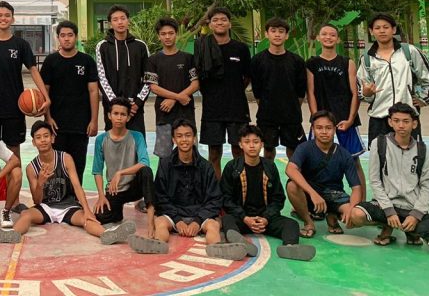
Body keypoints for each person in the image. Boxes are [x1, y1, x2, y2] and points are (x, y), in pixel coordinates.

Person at [0, 120, 135, 246]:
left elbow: (77, 186)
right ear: (34, 142)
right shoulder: (32, 168)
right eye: (38, 137)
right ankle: (12, 234)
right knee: (26, 214)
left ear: (52, 138)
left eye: (46, 136)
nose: (43, 140)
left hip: (68, 205)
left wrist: (87, 210)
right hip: (46, 207)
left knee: (86, 219)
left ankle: (107, 234)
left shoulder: (65, 159)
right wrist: (40, 183)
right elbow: (37, 200)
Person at [348, 103, 429, 256]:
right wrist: (389, 211)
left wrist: (416, 215)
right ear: (390, 122)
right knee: (356, 215)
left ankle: (411, 230)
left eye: (406, 121)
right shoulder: (380, 144)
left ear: (414, 124)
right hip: (386, 205)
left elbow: (428, 185)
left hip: (412, 207)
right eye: (396, 121)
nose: (401, 125)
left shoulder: (422, 150)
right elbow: (375, 181)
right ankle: (389, 226)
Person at [219, 124, 316, 261]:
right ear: (240, 145)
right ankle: (239, 243)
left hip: (265, 219)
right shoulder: (232, 167)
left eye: (256, 142)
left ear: (262, 144)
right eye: (247, 142)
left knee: (291, 224)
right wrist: (245, 218)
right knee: (227, 220)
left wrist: (265, 218)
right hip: (242, 218)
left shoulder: (270, 167)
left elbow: (278, 198)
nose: (252, 146)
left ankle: (289, 247)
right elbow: (226, 199)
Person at [0, 0, 50, 150]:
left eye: (7, 15)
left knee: (14, 153)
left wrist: (46, 97)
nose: (3, 18)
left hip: (14, 108)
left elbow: (34, 70)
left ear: (13, 19)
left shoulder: (21, 44)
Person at [357, 13, 429, 141]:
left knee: (410, 152)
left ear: (394, 29)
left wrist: (424, 99)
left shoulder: (409, 52)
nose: (382, 31)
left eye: (386, 27)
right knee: (380, 153)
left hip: (407, 117)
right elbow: (362, 88)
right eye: (377, 28)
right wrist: (367, 93)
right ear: (371, 31)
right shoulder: (367, 59)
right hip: (379, 118)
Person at [306, 23, 366, 189]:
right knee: (315, 161)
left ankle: (361, 201)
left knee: (353, 161)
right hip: (321, 120)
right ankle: (317, 198)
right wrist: (316, 119)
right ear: (318, 38)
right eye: (324, 34)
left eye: (332, 35)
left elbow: (355, 93)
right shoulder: (312, 63)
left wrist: (350, 119)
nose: (328, 37)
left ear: (338, 39)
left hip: (344, 120)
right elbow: (310, 92)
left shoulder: (347, 62)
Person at [285, 110, 363, 238]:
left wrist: (351, 208)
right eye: (319, 128)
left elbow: (356, 188)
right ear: (313, 129)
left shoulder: (344, 154)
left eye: (328, 128)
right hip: (310, 195)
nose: (324, 132)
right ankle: (308, 222)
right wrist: (313, 193)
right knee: (292, 186)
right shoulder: (304, 148)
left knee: (356, 215)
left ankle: (332, 214)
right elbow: (290, 169)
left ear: (335, 129)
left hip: (334, 195)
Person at [196, 7, 251, 181]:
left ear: (230, 24)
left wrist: (234, 90)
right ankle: (216, 190)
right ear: (210, 25)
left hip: (237, 107)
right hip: (212, 109)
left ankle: (238, 188)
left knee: (238, 150)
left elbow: (247, 77)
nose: (220, 23)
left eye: (223, 19)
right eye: (215, 20)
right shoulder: (202, 47)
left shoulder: (241, 48)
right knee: (214, 153)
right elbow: (199, 77)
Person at [40, 20, 99, 182]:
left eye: (70, 35)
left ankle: (76, 195)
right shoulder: (51, 61)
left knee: (78, 166)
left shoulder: (87, 61)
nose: (66, 39)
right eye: (63, 35)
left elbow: (93, 91)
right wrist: (48, 118)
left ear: (76, 37)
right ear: (58, 38)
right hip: (56, 125)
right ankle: (57, 196)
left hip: (81, 124)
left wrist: (94, 120)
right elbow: (45, 92)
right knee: (57, 166)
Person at [92, 98, 156, 244]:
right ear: (109, 115)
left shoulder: (137, 136)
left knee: (146, 172)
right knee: (100, 216)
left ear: (128, 117)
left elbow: (144, 162)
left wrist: (120, 173)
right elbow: (97, 170)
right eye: (116, 113)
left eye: (123, 114)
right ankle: (117, 216)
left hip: (134, 187)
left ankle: (151, 221)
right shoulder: (101, 139)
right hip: (115, 190)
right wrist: (101, 195)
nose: (119, 117)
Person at [152, 119, 222, 253]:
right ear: (173, 139)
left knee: (213, 225)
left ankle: (217, 249)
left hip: (200, 214)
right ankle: (157, 245)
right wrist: (177, 220)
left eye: (188, 135)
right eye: (179, 136)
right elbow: (160, 197)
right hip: (174, 214)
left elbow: (215, 199)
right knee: (160, 223)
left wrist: (198, 220)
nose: (184, 140)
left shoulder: (206, 166)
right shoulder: (165, 165)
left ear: (194, 138)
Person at [250, 17, 306, 161]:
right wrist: (266, 107)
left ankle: (294, 177)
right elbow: (257, 91)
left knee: (294, 153)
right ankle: (269, 176)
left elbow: (301, 92)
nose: (277, 34)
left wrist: (291, 108)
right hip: (267, 116)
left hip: (291, 116)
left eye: (281, 31)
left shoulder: (297, 61)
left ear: (286, 35)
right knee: (268, 153)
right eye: (273, 31)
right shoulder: (257, 60)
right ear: (266, 34)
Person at [145, 17, 198, 160]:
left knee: (190, 153)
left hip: (186, 111)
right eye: (163, 34)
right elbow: (153, 87)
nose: (167, 37)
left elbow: (195, 84)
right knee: (164, 154)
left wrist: (174, 99)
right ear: (159, 36)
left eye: (171, 33)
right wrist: (178, 97)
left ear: (176, 34)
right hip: (164, 112)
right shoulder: (153, 60)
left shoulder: (188, 58)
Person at [96, 5, 150, 134]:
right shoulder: (102, 47)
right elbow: (101, 78)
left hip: (135, 108)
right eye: (115, 19)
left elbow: (149, 77)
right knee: (113, 144)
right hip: (112, 109)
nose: (120, 22)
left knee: (136, 143)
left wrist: (137, 103)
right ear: (110, 24)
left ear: (128, 20)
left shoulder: (140, 46)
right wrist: (116, 105)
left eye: (123, 18)